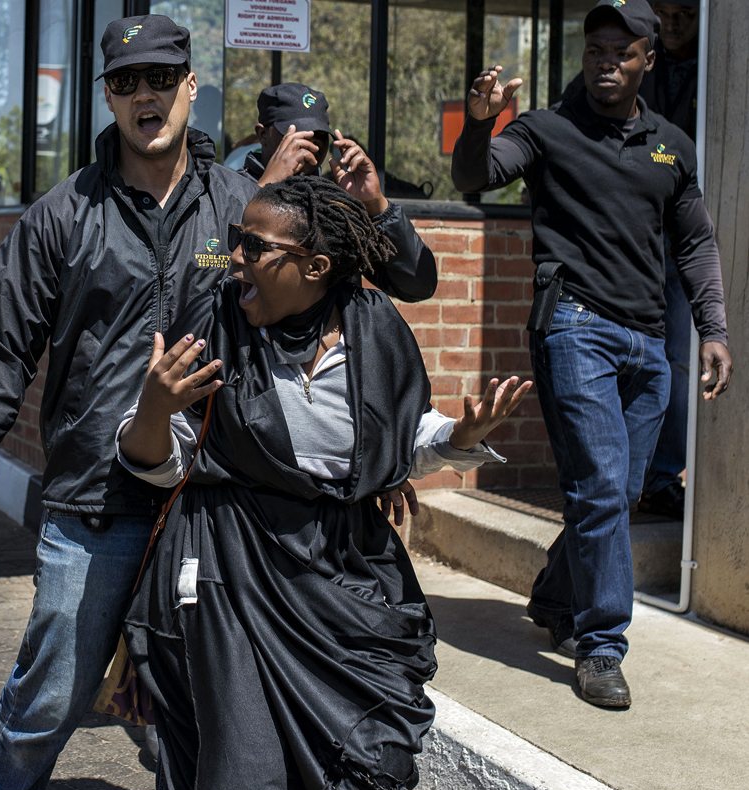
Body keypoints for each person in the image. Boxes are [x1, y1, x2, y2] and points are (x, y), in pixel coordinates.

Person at [0, 16, 258, 790]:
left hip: (211, 505)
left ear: (191, 86)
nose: (145, 96)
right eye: (125, 82)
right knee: (48, 701)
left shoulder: (241, 207)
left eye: (160, 78)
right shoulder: (62, 213)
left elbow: (304, 329)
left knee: (209, 706)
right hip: (93, 506)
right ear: (109, 96)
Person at [118, 176, 526, 790]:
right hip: (235, 566)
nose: (235, 258)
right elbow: (155, 460)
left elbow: (399, 443)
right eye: (235, 240)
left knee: (359, 761)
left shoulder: (376, 328)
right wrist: (152, 407)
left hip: (341, 573)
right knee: (244, 772)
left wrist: (460, 435)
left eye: (254, 246)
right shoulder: (217, 319)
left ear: (315, 266)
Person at [452, 0, 732, 709]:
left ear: (647, 59)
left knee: (618, 491)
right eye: (596, 50)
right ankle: (600, 643)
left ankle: (553, 594)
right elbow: (475, 177)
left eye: (622, 51)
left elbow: (695, 243)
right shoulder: (547, 130)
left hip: (648, 344)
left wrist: (715, 329)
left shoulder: (671, 145)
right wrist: (481, 119)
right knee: (602, 488)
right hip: (575, 328)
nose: (607, 62)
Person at [242, 82, 438, 303]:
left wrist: (376, 205)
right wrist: (264, 187)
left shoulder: (334, 205)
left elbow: (418, 286)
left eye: (319, 136)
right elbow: (219, 272)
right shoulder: (228, 189)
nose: (310, 145)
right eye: (296, 133)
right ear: (262, 134)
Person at [639, 0, 700, 518]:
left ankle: (661, 477)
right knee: (624, 354)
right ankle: (629, 474)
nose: (675, 22)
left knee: (677, 359)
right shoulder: (637, 64)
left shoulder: (712, 69)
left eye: (687, 12)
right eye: (667, 12)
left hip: (683, 235)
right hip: (632, 234)